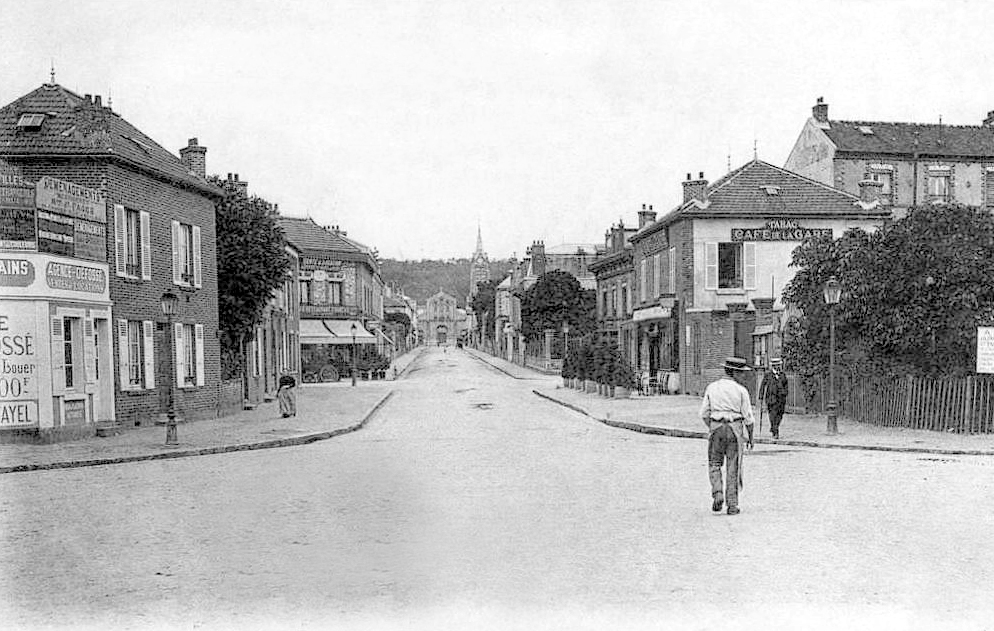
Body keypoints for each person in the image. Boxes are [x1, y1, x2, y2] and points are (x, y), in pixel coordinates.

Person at [699, 357, 756, 515]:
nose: (744, 377)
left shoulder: (712, 387)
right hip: (734, 429)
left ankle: (717, 493)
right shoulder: (741, 391)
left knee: (714, 463)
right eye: (742, 373)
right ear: (735, 373)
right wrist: (750, 437)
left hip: (716, 426)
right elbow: (748, 418)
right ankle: (732, 504)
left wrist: (713, 426)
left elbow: (704, 413)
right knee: (733, 466)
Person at [759, 358, 789, 439]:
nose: (778, 366)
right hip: (771, 399)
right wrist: (761, 396)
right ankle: (775, 432)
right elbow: (763, 385)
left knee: (780, 415)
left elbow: (786, 386)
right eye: (776, 365)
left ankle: (774, 428)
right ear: (773, 366)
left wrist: (785, 393)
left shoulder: (783, 375)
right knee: (772, 415)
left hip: (781, 400)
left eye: (779, 365)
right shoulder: (768, 375)